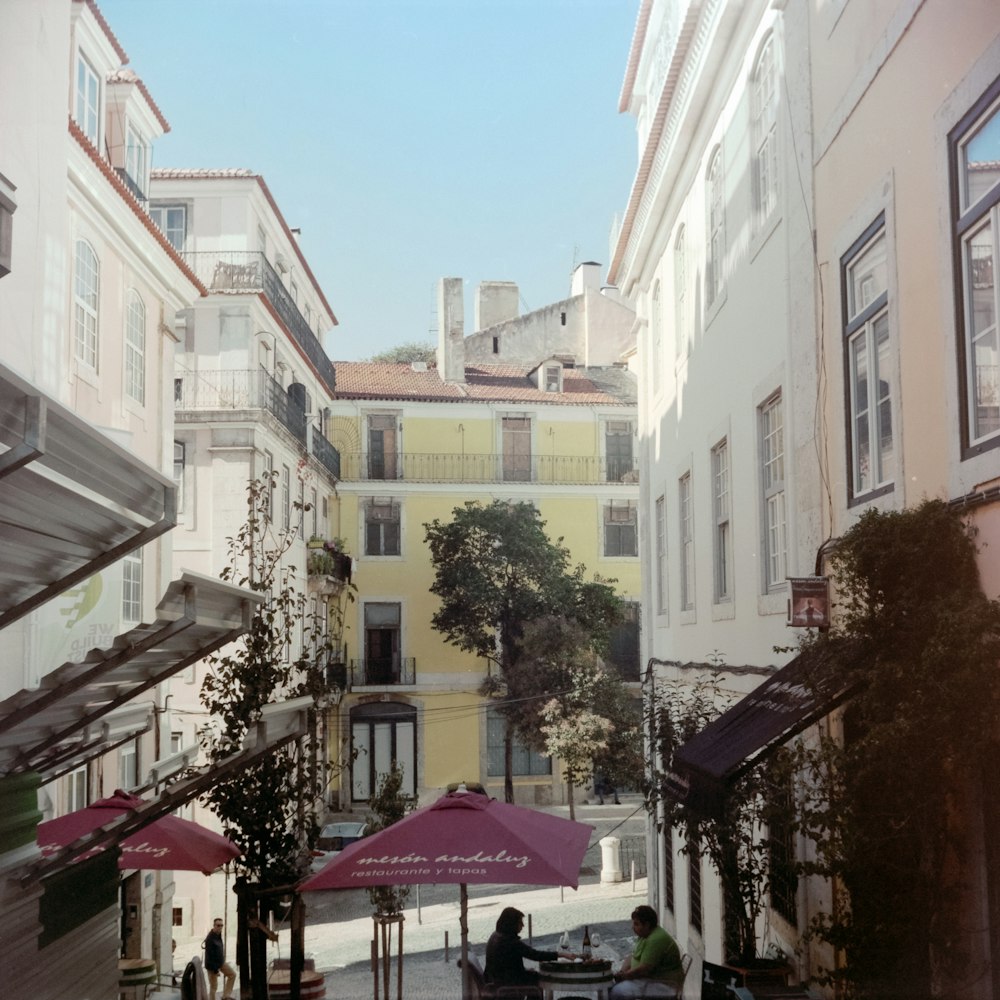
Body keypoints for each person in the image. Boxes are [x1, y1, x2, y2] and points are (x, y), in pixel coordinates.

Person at [485, 906, 573, 994]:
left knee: (534, 975)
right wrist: (561, 954)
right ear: (512, 924)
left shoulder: (496, 935)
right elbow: (535, 955)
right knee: (540, 978)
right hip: (508, 984)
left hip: (499, 980)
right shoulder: (509, 941)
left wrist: (524, 972)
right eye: (520, 922)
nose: (523, 925)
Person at [610, 905, 683, 998]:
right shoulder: (644, 935)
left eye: (636, 924)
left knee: (617, 992)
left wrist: (625, 976)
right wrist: (622, 972)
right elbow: (633, 957)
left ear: (647, 925)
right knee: (614, 987)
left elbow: (644, 969)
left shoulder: (656, 940)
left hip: (663, 984)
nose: (633, 927)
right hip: (648, 981)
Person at [202, 917, 236, 1000]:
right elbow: (210, 956)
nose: (220, 927)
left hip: (220, 962)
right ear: (214, 926)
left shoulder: (218, 935)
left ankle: (226, 996)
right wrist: (215, 970)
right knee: (214, 987)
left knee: (232, 975)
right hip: (212, 966)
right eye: (218, 925)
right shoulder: (210, 938)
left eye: (221, 925)